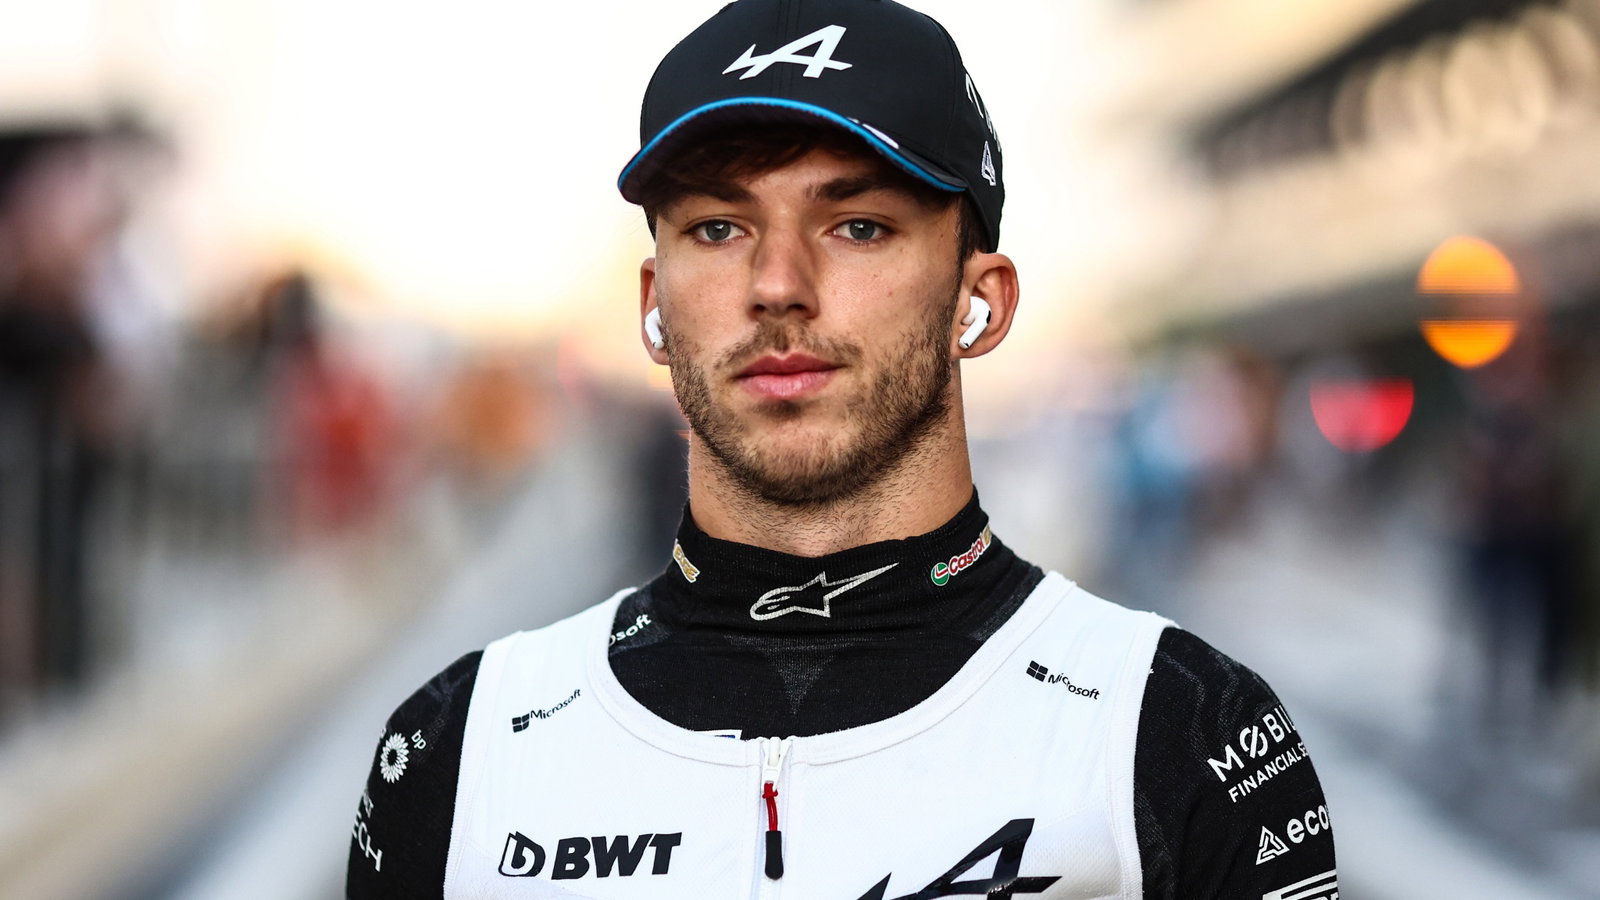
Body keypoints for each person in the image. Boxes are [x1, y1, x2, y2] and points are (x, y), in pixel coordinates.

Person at [346, 1, 1337, 897]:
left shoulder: (1183, 732)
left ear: (979, 300)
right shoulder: (458, 747)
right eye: (719, 228)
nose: (778, 284)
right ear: (655, 305)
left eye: (858, 226)